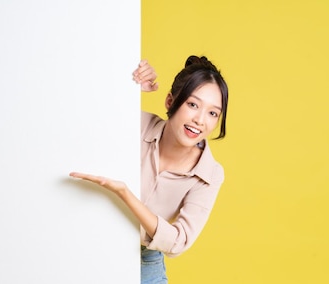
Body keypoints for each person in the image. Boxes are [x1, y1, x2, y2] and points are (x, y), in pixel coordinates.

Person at [69, 55, 229, 283]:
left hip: (144, 262)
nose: (200, 120)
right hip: (91, 242)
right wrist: (128, 87)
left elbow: (178, 242)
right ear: (170, 101)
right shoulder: (135, 124)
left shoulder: (209, 174)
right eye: (192, 104)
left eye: (213, 113)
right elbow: (85, 110)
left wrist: (124, 193)